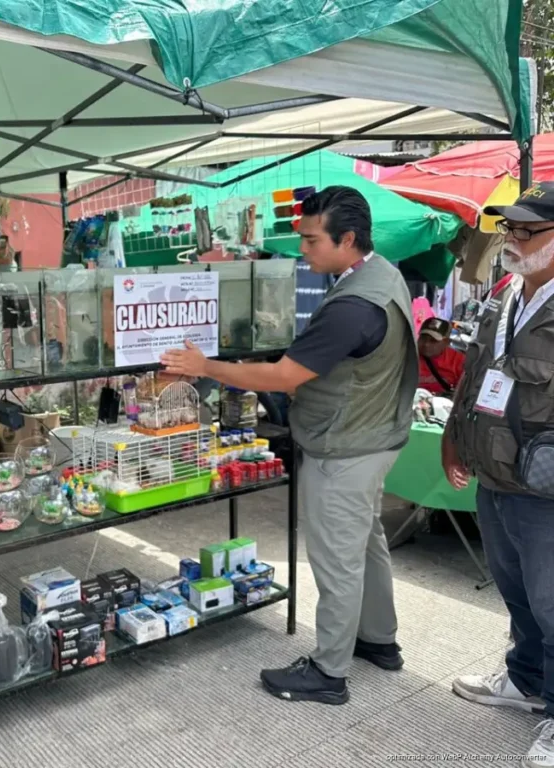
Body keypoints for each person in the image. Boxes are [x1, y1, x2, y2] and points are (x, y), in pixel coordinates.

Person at [162, 186, 418, 705]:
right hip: (375, 435)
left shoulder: (353, 305)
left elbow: (283, 376)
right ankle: (378, 641)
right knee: (365, 544)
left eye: (311, 240)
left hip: (345, 446)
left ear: (348, 239)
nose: (302, 250)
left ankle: (328, 672)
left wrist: (205, 367)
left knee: (336, 559)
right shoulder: (382, 274)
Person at [444, 182, 554, 768]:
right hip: (496, 475)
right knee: (517, 594)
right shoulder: (507, 293)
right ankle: (526, 681)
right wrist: (452, 438)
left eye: (528, 230)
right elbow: (476, 373)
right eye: (509, 228)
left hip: (546, 487)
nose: (512, 238)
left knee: (553, 601)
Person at [416, 317, 465, 396]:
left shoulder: (459, 361)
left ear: (446, 342)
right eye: (423, 338)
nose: (426, 344)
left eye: (433, 341)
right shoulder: (408, 354)